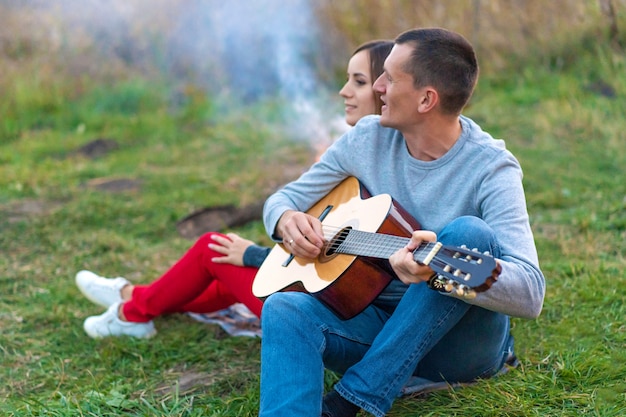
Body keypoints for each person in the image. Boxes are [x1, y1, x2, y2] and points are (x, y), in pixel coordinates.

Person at [258, 27, 545, 417]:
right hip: (375, 326)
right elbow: (284, 199)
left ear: (427, 99)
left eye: (389, 78)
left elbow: (530, 294)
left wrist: (437, 268)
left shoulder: (491, 168)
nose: (376, 87)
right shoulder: (366, 139)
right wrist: (286, 219)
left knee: (467, 233)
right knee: (283, 309)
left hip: (458, 348)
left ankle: (351, 400)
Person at [74, 39, 395, 339]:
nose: (343, 91)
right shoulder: (359, 151)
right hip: (327, 293)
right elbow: (306, 222)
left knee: (212, 249)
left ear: (387, 89)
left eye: (359, 81)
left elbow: (356, 264)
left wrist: (253, 255)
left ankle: (132, 313)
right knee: (226, 278)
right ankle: (135, 297)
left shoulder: (391, 169)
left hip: (337, 312)